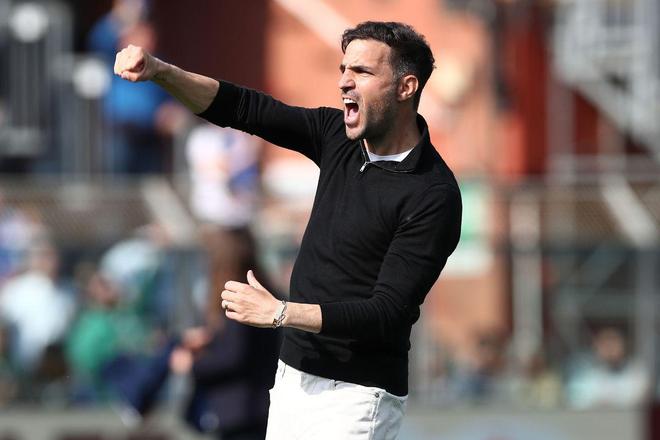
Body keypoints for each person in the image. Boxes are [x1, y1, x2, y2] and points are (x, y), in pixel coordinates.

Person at [114, 20, 462, 439]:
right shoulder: (337, 136)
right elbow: (242, 107)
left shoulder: (432, 194)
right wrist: (160, 72)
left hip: (356, 396)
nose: (345, 82)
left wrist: (281, 313)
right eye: (343, 70)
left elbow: (386, 314)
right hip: (291, 383)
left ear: (406, 87)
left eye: (362, 72)